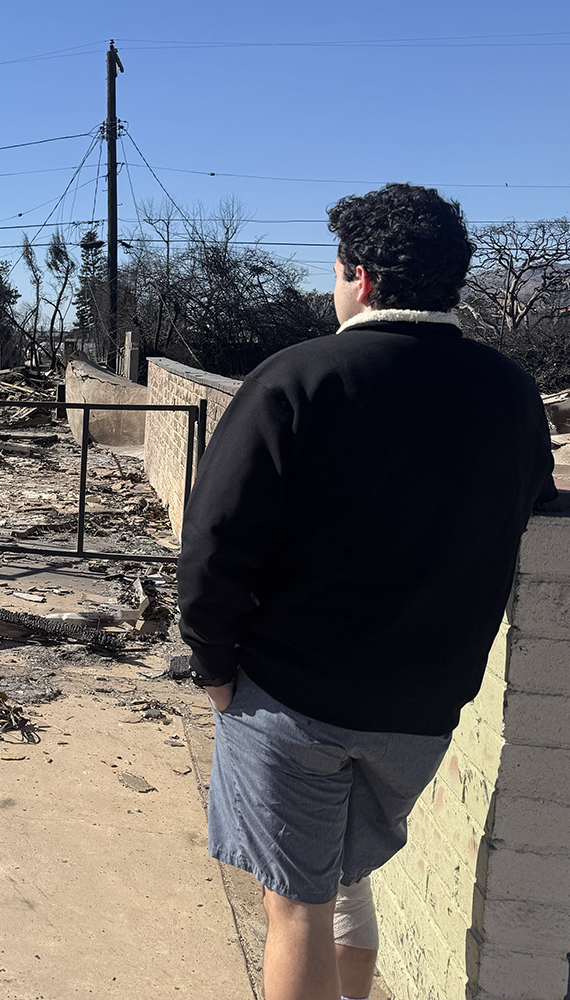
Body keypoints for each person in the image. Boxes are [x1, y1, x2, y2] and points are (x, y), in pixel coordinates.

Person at [177, 183, 555, 1000]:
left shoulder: (296, 379)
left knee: (296, 905)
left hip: (291, 699)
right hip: (420, 711)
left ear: (362, 278)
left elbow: (214, 542)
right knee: (346, 882)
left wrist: (213, 667)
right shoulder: (513, 396)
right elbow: (529, 509)